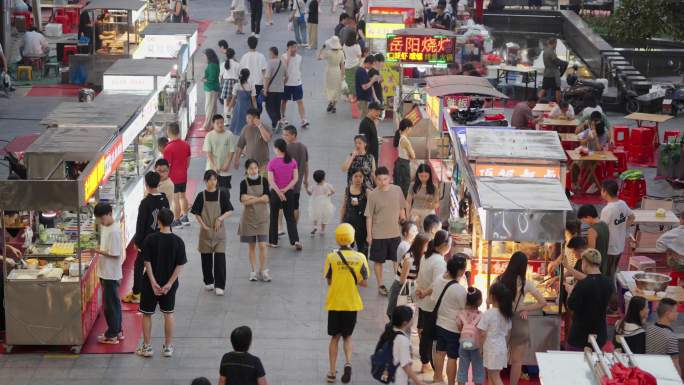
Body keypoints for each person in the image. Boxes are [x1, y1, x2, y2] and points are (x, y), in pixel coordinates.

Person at [137, 208, 187, 358]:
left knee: (147, 314)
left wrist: (153, 282)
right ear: (171, 221)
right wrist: (170, 284)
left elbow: (147, 262)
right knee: (168, 314)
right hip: (169, 285)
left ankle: (147, 347)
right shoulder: (178, 241)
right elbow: (180, 265)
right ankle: (168, 347)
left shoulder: (150, 239)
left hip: (149, 284)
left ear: (158, 220)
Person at [325, 223, 369, 384]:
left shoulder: (331, 257)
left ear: (338, 239)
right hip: (351, 303)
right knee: (348, 337)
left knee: (334, 338)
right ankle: (348, 362)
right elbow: (364, 283)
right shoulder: (360, 258)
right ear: (352, 238)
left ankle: (331, 372)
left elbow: (329, 281)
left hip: (335, 302)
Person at [497, 251, 547, 385]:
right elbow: (543, 302)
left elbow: (490, 301)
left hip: (501, 321)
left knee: (496, 358)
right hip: (519, 323)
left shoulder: (499, 280)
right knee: (517, 361)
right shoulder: (527, 284)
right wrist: (525, 308)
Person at [124, 171, 170, 304]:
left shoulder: (145, 203)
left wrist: (138, 242)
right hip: (161, 237)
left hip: (147, 241)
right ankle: (159, 289)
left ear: (146, 184)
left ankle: (137, 293)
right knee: (157, 264)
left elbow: (141, 224)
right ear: (159, 182)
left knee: (139, 265)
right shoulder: (164, 198)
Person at [191, 170, 233, 296]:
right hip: (205, 233)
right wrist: (203, 226)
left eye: (215, 179)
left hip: (219, 233)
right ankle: (208, 280)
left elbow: (229, 210)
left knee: (220, 260)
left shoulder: (222, 194)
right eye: (210, 180)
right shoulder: (201, 195)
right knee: (206, 259)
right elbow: (196, 213)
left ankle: (220, 285)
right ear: (205, 181)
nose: (213, 182)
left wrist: (220, 219)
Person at [366, 167, 406, 296]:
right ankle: (380, 285)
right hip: (378, 234)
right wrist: (369, 235)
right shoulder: (373, 195)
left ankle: (398, 283)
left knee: (397, 260)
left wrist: (403, 218)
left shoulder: (397, 190)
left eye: (385, 179)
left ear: (390, 178)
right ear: (375, 179)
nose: (383, 182)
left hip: (395, 233)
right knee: (378, 261)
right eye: (379, 179)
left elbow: (401, 207)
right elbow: (369, 216)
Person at [415, 230, 450, 373]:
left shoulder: (426, 256)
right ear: (444, 245)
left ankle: (425, 361)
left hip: (423, 301)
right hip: (431, 302)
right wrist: (424, 292)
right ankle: (425, 363)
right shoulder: (439, 262)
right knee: (428, 335)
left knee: (423, 332)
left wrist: (421, 291)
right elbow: (437, 284)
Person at [565, 248, 612, 350]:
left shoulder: (583, 284)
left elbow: (571, 305)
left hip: (580, 334)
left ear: (585, 262)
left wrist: (570, 291)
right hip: (600, 332)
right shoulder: (608, 282)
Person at [432, 255, 468, 385]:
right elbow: (465, 309)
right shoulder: (459, 289)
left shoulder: (439, 280)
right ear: (459, 271)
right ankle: (451, 383)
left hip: (439, 324)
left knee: (440, 352)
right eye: (464, 269)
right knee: (452, 357)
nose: (465, 271)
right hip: (453, 328)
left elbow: (433, 298)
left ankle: (437, 378)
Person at [600, 179, 634, 308]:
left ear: (605, 192)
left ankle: (613, 305)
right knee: (612, 274)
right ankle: (613, 302)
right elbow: (632, 217)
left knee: (608, 277)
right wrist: (624, 228)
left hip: (609, 248)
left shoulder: (607, 209)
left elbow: (602, 229)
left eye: (601, 190)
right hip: (619, 246)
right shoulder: (622, 204)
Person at [92, 203, 123, 344]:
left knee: (110, 305)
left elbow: (115, 253)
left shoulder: (114, 231)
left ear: (110, 213)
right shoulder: (106, 227)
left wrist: (96, 251)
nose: (101, 222)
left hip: (110, 274)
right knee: (114, 304)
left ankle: (112, 334)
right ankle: (118, 331)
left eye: (102, 218)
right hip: (106, 271)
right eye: (99, 219)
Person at [375, 306, 426, 385]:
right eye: (411, 318)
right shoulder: (402, 340)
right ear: (405, 322)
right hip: (398, 378)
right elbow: (405, 366)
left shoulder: (391, 332)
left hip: (391, 376)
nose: (413, 319)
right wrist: (418, 382)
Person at [239, 159, 271, 282]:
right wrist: (259, 198)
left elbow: (267, 198)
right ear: (247, 170)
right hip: (249, 219)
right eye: (251, 168)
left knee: (262, 245)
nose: (253, 170)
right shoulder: (243, 183)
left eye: (255, 168)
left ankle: (262, 270)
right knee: (251, 246)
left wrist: (250, 198)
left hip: (262, 218)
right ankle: (253, 271)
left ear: (258, 168)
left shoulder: (264, 180)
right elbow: (242, 199)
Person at [267, 139, 302, 250]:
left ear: (277, 148)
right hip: (289, 193)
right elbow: (295, 178)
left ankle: (273, 242)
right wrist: (285, 190)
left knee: (274, 217)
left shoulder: (272, 162)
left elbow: (271, 181)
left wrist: (279, 192)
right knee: (290, 217)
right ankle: (295, 240)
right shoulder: (292, 161)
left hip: (275, 193)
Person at [477, 282, 513, 385]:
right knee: (492, 375)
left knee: (494, 376)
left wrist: (480, 348)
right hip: (501, 348)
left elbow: (482, 334)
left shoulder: (488, 314)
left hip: (491, 349)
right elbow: (508, 333)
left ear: (493, 297)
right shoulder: (506, 314)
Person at [386, 233, 428, 319]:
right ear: (420, 246)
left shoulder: (421, 256)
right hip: (401, 287)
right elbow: (402, 280)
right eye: (426, 245)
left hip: (409, 287)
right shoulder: (409, 259)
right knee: (395, 313)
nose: (428, 248)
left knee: (405, 314)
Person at [163, 123, 191, 227]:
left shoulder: (168, 148)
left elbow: (167, 166)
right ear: (178, 131)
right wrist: (184, 169)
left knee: (175, 199)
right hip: (183, 175)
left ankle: (177, 220)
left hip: (173, 177)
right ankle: (185, 217)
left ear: (169, 133)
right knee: (183, 196)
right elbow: (188, 160)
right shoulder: (186, 144)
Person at [645, 298, 681, 376]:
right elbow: (675, 365)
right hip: (664, 373)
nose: (678, 313)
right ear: (668, 313)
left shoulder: (649, 328)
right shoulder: (671, 337)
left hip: (649, 371)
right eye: (675, 311)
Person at [457, 287, 485, 385]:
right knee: (478, 369)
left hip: (464, 344)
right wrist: (482, 348)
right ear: (479, 301)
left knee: (462, 367)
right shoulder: (481, 315)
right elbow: (482, 333)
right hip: (476, 346)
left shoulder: (461, 313)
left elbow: (459, 327)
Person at [204, 114, 237, 192]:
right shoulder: (209, 135)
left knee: (224, 192)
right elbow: (209, 153)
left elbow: (231, 151)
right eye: (217, 123)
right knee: (212, 192)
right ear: (213, 124)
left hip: (225, 170)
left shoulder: (229, 135)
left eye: (222, 122)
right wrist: (213, 166)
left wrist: (227, 164)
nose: (220, 125)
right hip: (211, 169)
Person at [282, 125, 309, 223]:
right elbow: (306, 165)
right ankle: (294, 226)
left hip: (285, 183)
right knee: (295, 205)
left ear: (294, 135)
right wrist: (305, 180)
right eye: (283, 135)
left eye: (287, 135)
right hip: (297, 183)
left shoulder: (286, 148)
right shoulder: (303, 147)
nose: (284, 137)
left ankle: (281, 227)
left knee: (281, 206)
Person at [234, 108, 273, 174]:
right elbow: (240, 145)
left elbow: (268, 139)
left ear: (257, 118)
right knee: (251, 183)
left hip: (264, 164)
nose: (248, 120)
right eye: (248, 118)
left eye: (250, 118)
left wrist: (260, 126)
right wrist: (237, 159)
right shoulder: (245, 129)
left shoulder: (265, 127)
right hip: (250, 164)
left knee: (264, 183)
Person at [281, 41, 309, 128]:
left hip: (297, 83)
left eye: (296, 47)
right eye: (293, 47)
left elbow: (299, 69)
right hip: (286, 83)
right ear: (288, 48)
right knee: (284, 101)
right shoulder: (283, 57)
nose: (295, 49)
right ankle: (282, 117)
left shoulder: (299, 57)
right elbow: (285, 67)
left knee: (300, 101)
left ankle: (303, 119)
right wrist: (288, 56)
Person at [340, 168, 369, 255]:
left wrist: (360, 204)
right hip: (348, 222)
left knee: (362, 248)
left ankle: (363, 267)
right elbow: (344, 207)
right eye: (355, 176)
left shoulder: (366, 191)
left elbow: (370, 210)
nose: (358, 179)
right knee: (346, 247)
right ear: (351, 178)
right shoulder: (347, 190)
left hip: (361, 224)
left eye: (360, 176)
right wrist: (341, 222)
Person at [576, 204, 609, 271]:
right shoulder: (604, 224)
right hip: (604, 261)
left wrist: (580, 254)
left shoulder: (592, 230)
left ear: (588, 217)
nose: (584, 223)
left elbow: (591, 252)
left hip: (595, 265)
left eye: (583, 220)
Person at [408, 164, 441, 230]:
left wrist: (432, 205)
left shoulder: (434, 187)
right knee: (415, 234)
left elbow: (437, 203)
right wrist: (408, 214)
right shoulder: (413, 185)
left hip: (429, 212)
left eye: (426, 176)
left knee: (429, 233)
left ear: (430, 175)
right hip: (415, 211)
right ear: (418, 175)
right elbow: (408, 201)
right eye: (421, 176)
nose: (423, 178)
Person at [239, 36, 268, 112]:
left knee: (248, 104)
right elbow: (264, 73)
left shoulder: (244, 57)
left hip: (247, 84)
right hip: (258, 84)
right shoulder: (261, 56)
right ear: (257, 44)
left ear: (248, 44)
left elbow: (240, 73)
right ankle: (257, 119)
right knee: (258, 104)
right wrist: (265, 88)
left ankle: (250, 120)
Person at [318, 36, 344, 114]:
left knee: (329, 87)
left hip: (329, 70)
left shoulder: (328, 52)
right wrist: (343, 75)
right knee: (337, 87)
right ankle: (334, 106)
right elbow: (342, 65)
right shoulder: (341, 53)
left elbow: (319, 58)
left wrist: (322, 48)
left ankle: (331, 101)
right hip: (337, 71)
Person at [228, 69, 258, 136]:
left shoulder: (236, 85)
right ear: (248, 76)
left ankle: (238, 132)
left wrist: (228, 109)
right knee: (248, 120)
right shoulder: (251, 85)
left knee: (238, 121)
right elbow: (254, 100)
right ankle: (247, 133)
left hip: (238, 107)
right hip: (248, 107)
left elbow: (233, 99)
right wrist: (256, 110)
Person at [263, 47, 286, 129]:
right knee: (276, 107)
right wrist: (282, 84)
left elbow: (267, 77)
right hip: (280, 89)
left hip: (271, 89)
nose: (269, 55)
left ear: (272, 53)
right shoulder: (282, 63)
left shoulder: (270, 62)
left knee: (268, 107)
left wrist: (265, 89)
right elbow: (287, 76)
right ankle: (276, 123)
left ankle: (276, 121)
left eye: (269, 53)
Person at [393, 119, 416, 197]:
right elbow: (413, 155)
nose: (411, 130)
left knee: (399, 184)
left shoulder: (400, 137)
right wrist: (411, 153)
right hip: (404, 164)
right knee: (405, 186)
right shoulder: (405, 140)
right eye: (411, 128)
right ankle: (403, 205)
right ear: (407, 128)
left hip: (400, 162)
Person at [308, 170, 335, 235]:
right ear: (324, 178)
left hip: (315, 203)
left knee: (315, 215)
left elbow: (309, 193)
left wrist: (306, 186)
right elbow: (333, 191)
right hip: (325, 204)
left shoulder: (313, 186)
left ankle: (315, 226)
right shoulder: (327, 185)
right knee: (325, 216)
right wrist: (329, 194)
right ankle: (322, 230)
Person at [202, 49, 221, 131]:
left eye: (205, 56)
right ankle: (213, 124)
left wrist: (204, 80)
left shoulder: (211, 65)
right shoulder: (214, 64)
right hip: (213, 88)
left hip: (211, 89)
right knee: (213, 108)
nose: (204, 57)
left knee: (209, 108)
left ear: (208, 56)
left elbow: (211, 78)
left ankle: (206, 126)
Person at [540, 38, 563, 102]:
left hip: (547, 73)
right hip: (553, 74)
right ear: (554, 43)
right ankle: (559, 105)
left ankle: (536, 102)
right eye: (556, 44)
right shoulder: (551, 52)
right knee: (557, 89)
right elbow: (556, 62)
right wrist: (563, 63)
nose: (556, 46)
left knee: (543, 89)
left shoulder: (545, 51)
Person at [220, 48, 240, 121]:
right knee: (234, 103)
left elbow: (220, 75)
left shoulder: (223, 64)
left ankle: (227, 120)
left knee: (226, 103)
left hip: (226, 83)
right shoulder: (237, 64)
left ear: (226, 55)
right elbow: (240, 75)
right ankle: (234, 119)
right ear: (234, 55)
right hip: (235, 83)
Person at [342, 37, 362, 102]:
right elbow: (359, 56)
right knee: (354, 81)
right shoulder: (356, 46)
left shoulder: (344, 45)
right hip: (355, 65)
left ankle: (350, 96)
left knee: (349, 81)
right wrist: (359, 64)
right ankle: (353, 97)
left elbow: (344, 54)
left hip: (347, 65)